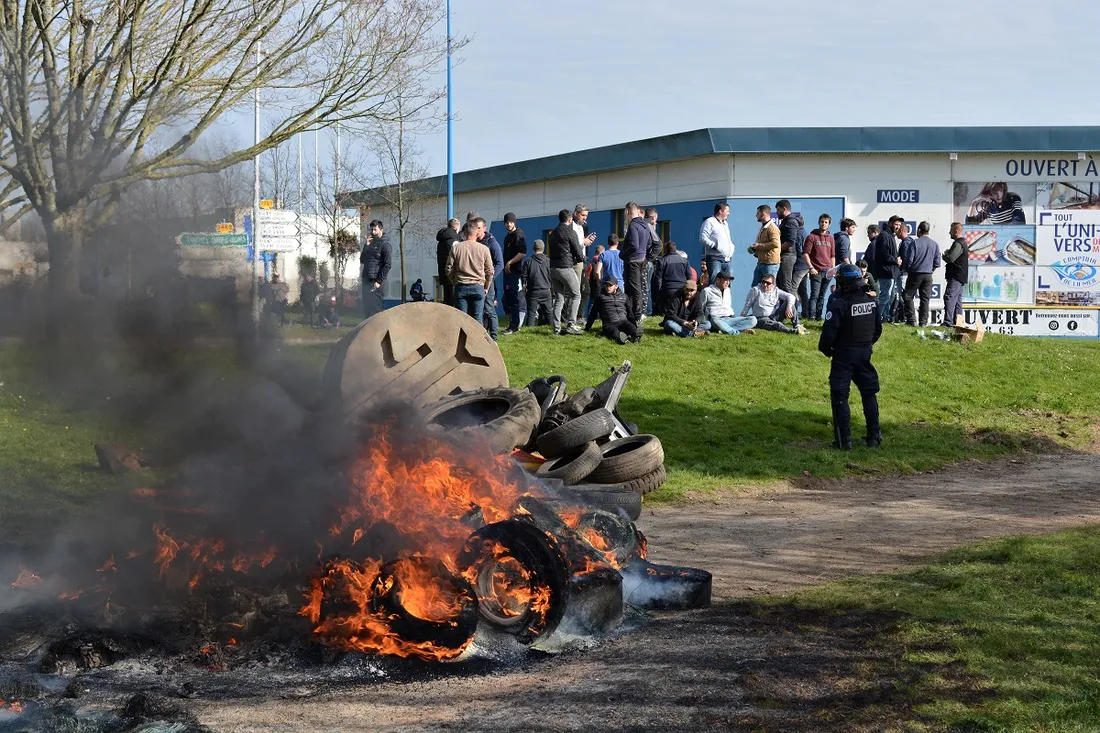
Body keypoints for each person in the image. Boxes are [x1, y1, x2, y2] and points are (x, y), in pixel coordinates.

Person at [818, 263, 883, 450]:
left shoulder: (839, 303)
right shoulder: (871, 302)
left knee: (840, 395)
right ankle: (874, 437)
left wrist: (828, 350)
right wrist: (866, 345)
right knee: (869, 393)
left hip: (843, 355)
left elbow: (829, 333)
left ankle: (843, 441)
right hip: (864, 354)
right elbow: (878, 329)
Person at [446, 219, 494, 320]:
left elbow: (449, 268)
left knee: (462, 320)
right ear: (476, 233)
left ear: (465, 233)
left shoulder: (456, 248)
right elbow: (490, 271)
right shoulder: (484, 249)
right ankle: (477, 336)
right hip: (478, 286)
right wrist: (486, 287)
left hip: (461, 286)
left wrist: (455, 281)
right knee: (477, 319)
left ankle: (462, 336)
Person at [548, 209, 584, 335]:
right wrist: (582, 258)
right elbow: (578, 251)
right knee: (576, 295)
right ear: (569, 219)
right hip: (566, 267)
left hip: (553, 269)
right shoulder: (570, 231)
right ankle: (571, 324)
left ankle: (556, 327)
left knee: (559, 299)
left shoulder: (552, 234)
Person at [902, 221, 942, 327]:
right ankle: (923, 322)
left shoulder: (915, 243)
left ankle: (911, 320)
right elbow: (937, 263)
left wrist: (908, 269)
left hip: (915, 273)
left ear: (919, 230)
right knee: (925, 299)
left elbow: (909, 260)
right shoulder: (934, 244)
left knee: (908, 295)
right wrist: (930, 270)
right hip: (928, 274)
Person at [620, 201, 653, 324]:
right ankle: (632, 313)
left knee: (633, 287)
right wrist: (644, 255)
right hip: (641, 259)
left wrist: (622, 254)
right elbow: (649, 243)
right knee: (637, 286)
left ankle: (636, 314)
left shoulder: (633, 226)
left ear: (628, 212)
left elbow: (634, 245)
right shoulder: (645, 225)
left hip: (633, 260)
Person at [585, 276, 640, 344]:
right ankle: (622, 339)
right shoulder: (601, 297)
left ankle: (636, 337)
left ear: (616, 286)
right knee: (615, 333)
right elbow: (593, 313)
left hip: (623, 321)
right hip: (609, 324)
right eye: (606, 285)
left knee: (632, 329)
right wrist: (587, 328)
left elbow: (629, 313)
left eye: (610, 285)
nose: (608, 287)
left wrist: (635, 325)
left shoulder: (624, 296)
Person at [699, 270, 757, 335]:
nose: (728, 282)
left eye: (729, 280)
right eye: (726, 280)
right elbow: (701, 307)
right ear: (718, 280)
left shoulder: (728, 290)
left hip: (731, 318)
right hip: (716, 319)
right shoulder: (707, 291)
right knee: (716, 320)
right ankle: (736, 332)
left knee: (753, 319)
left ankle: (726, 329)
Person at [803, 214, 835, 320]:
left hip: (828, 271)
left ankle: (818, 316)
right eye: (822, 221)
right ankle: (811, 317)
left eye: (826, 222)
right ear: (819, 222)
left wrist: (833, 269)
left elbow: (832, 256)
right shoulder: (812, 236)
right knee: (814, 295)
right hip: (816, 270)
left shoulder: (831, 238)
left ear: (829, 225)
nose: (823, 224)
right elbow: (806, 254)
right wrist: (811, 268)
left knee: (822, 295)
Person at [871, 216, 902, 323]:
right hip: (885, 272)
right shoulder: (884, 236)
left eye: (899, 225)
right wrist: (895, 260)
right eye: (896, 224)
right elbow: (883, 255)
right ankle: (877, 318)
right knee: (885, 296)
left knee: (890, 297)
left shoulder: (891, 236)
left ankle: (885, 318)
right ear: (890, 224)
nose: (898, 227)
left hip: (891, 272)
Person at [360, 219, 392, 320]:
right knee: (367, 309)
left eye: (375, 230)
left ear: (381, 230)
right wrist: (366, 245)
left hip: (376, 282)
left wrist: (379, 280)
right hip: (366, 281)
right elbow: (362, 260)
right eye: (371, 230)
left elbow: (387, 265)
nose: (373, 232)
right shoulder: (370, 244)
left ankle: (379, 333)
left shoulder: (385, 245)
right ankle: (368, 333)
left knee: (376, 310)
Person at [501, 212, 527, 334]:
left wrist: (510, 262)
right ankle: (512, 323)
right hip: (507, 272)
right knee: (507, 298)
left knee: (514, 298)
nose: (508, 225)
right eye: (506, 223)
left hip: (515, 271)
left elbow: (522, 253)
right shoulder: (507, 237)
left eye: (510, 222)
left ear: (514, 222)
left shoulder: (519, 234)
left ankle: (515, 325)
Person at [653, 241, 692, 316]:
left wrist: (658, 292)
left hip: (668, 291)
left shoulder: (662, 261)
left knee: (666, 312)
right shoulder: (684, 261)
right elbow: (689, 277)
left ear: (665, 250)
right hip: (682, 290)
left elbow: (658, 279)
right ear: (675, 249)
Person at [942, 222, 968, 327]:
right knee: (957, 301)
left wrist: (945, 255)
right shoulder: (962, 243)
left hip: (956, 276)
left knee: (949, 297)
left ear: (956, 231)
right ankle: (958, 323)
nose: (949, 233)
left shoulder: (958, 243)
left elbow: (951, 258)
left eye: (951, 230)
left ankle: (948, 322)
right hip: (960, 276)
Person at [522, 239, 553, 328]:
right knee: (549, 312)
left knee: (531, 313)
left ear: (533, 248)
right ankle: (553, 329)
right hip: (546, 290)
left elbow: (524, 277)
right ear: (543, 248)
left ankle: (529, 331)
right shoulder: (548, 261)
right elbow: (551, 276)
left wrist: (524, 289)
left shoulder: (528, 261)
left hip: (533, 291)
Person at [699, 202, 733, 280]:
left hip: (727, 259)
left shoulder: (725, 224)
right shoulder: (709, 222)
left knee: (728, 281)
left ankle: (725, 293)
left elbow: (727, 239)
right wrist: (715, 246)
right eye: (727, 211)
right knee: (715, 281)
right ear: (720, 211)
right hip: (715, 259)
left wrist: (731, 248)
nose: (729, 213)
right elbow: (702, 238)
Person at [749, 204, 781, 286]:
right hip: (761, 262)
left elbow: (775, 243)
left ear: (764, 214)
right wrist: (754, 249)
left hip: (770, 264)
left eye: (758, 213)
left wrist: (758, 246)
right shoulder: (763, 227)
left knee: (769, 288)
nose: (756, 215)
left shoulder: (772, 228)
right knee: (755, 288)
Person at [776, 199, 801, 295]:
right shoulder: (786, 221)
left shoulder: (791, 222)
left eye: (778, 210)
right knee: (781, 285)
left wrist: (777, 250)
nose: (777, 212)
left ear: (784, 209)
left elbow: (790, 241)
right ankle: (783, 309)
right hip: (785, 255)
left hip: (788, 256)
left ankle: (791, 309)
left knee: (786, 285)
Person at [436, 218, 460, 305]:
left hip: (443, 273)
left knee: (447, 298)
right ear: (457, 228)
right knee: (454, 301)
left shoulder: (441, 240)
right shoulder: (455, 240)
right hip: (453, 274)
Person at [645, 207, 663, 315]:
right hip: (649, 260)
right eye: (655, 218)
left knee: (646, 286)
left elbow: (658, 244)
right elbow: (658, 244)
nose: (656, 221)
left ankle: (648, 310)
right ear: (652, 217)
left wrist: (649, 258)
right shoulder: (648, 227)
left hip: (647, 260)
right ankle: (649, 310)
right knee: (648, 286)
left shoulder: (649, 227)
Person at [582, 244, 604, 318]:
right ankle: (598, 316)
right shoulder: (602, 262)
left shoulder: (591, 263)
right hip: (599, 284)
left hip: (593, 285)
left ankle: (589, 316)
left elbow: (588, 275)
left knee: (592, 302)